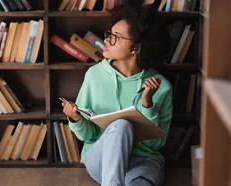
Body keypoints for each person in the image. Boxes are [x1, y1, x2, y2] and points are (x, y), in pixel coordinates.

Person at [61, 1, 173, 186]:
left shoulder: (161, 87)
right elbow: (88, 135)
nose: (106, 40)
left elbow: (156, 145)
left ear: (135, 48)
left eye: (115, 37)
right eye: (109, 35)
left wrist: (148, 104)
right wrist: (76, 119)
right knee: (121, 126)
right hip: (101, 159)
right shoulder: (94, 76)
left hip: (142, 161)